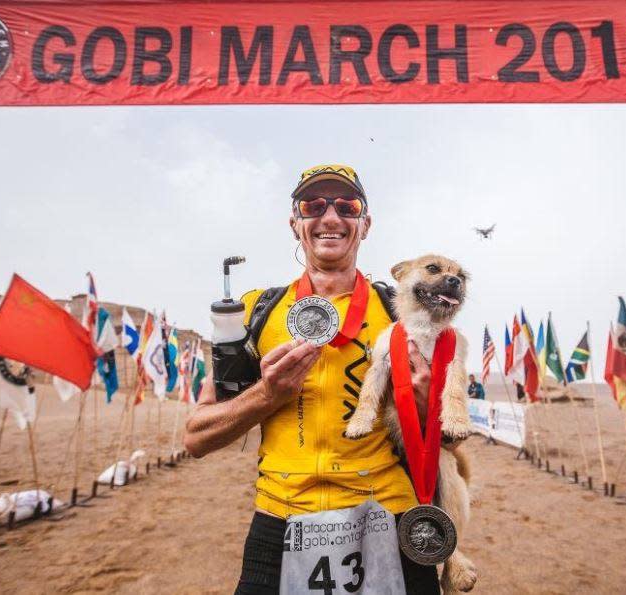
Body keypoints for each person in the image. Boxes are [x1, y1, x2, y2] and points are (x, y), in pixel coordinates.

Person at [183, 164, 442, 594]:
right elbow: (197, 438)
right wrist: (268, 395)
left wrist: (423, 400)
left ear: (365, 224)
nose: (330, 217)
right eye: (313, 205)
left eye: (347, 205)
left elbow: (450, 440)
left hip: (389, 515)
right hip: (280, 516)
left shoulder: (401, 314)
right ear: (295, 224)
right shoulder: (254, 312)